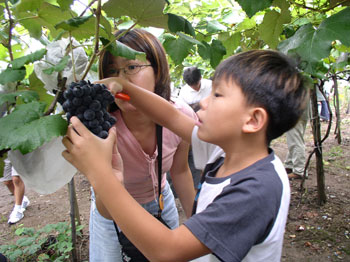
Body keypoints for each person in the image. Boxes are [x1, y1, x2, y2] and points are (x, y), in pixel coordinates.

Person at [62, 49, 309, 261]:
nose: (203, 102)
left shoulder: (256, 191)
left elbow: (166, 251)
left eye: (218, 95)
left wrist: (99, 173)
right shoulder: (226, 150)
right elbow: (169, 116)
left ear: (253, 120)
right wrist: (124, 86)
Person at [88, 28, 196, 261]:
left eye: (131, 68)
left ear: (158, 70)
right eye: (113, 71)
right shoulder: (102, 127)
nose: (121, 81)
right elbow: (106, 209)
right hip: (113, 212)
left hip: (160, 204)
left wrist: (200, 226)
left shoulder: (181, 116)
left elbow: (180, 171)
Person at [284, 103, 310, 180]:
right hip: (300, 107)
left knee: (295, 141)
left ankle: (299, 171)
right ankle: (290, 165)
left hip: (295, 109)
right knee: (294, 139)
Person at [1, 158, 30, 224]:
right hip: (8, 152)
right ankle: (23, 199)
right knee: (7, 182)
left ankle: (18, 211)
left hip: (18, 153)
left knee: (16, 179)